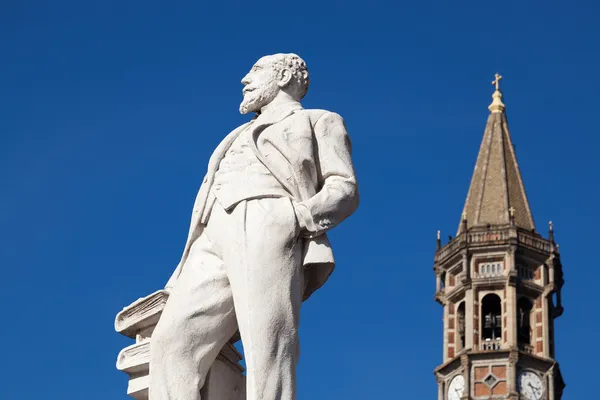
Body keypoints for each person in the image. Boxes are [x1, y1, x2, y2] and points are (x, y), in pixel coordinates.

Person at [149, 53, 359, 400]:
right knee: (171, 342)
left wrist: (295, 218)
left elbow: (344, 188)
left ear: (283, 77)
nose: (245, 80)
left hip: (268, 220)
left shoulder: (319, 120)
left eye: (255, 71)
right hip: (212, 232)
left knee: (267, 342)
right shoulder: (233, 137)